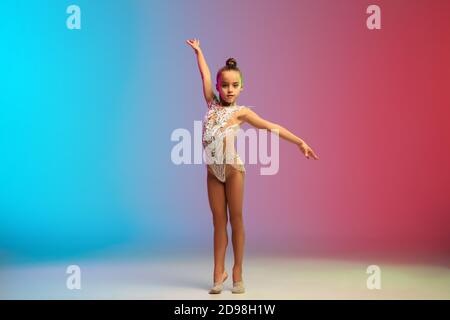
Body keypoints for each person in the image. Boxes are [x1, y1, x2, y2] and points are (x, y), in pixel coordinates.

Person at [186, 38, 319, 294]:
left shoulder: (242, 112)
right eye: (224, 85)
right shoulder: (211, 104)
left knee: (236, 219)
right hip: (213, 171)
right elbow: (203, 73)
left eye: (235, 85)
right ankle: (218, 273)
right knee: (217, 222)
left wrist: (299, 142)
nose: (229, 90)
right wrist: (199, 51)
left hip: (234, 170)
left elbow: (273, 127)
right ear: (217, 87)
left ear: (242, 88)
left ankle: (237, 272)